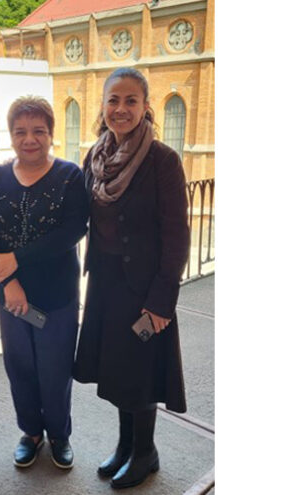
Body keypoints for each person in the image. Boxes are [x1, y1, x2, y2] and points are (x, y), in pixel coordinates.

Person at [73, 68, 190, 489]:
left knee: (141, 375)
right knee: (119, 372)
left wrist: (162, 300)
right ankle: (125, 446)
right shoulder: (95, 156)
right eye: (113, 100)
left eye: (130, 101)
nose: (120, 109)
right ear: (103, 107)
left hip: (144, 290)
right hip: (105, 285)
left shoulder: (163, 161)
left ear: (145, 107)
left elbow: (177, 236)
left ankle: (146, 452)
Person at [0, 96, 88, 470]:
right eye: (21, 131)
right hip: (11, 296)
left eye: (39, 130)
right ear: (11, 135)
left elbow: (71, 230)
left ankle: (59, 434)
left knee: (55, 369)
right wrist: (9, 282)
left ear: (51, 134)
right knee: (19, 366)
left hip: (56, 296)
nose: (30, 139)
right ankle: (31, 432)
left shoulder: (70, 176)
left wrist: (18, 260)